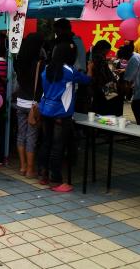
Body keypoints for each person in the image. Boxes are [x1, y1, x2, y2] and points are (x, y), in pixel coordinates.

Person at [39, 42, 93, 192]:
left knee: (46, 143)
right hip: (61, 114)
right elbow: (87, 80)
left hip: (46, 110)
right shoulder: (69, 71)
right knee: (57, 147)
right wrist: (90, 69)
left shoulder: (47, 69)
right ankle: (55, 181)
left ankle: (43, 175)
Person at [14, 33, 45, 178]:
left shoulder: (19, 62)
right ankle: (30, 170)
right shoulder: (39, 64)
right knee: (31, 136)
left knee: (21, 134)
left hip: (20, 101)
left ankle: (22, 166)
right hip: (33, 104)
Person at [90, 40, 123, 116]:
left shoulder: (93, 54)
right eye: (107, 50)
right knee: (112, 103)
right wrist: (112, 85)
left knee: (100, 104)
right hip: (105, 84)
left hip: (100, 84)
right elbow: (103, 74)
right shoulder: (99, 57)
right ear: (103, 49)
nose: (108, 52)